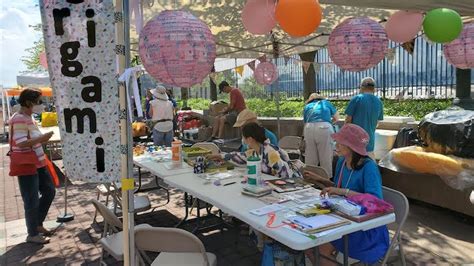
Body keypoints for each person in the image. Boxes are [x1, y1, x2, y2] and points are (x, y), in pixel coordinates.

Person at [304, 124, 389, 265]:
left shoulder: (369, 167)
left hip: (365, 227)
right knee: (308, 244)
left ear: (352, 147)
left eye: (340, 142)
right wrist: (319, 179)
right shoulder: (342, 162)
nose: (336, 145)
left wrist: (342, 192)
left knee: (319, 249)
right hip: (342, 219)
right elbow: (337, 189)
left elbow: (375, 201)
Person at [10, 88, 56, 244]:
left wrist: (42, 138)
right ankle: (32, 233)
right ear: (29, 102)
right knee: (31, 200)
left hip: (39, 163)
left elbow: (31, 139)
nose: (41, 104)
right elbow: (21, 142)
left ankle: (37, 224)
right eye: (39, 101)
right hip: (28, 164)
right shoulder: (19, 118)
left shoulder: (29, 117)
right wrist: (42, 138)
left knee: (49, 191)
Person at [210, 122, 301, 179]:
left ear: (250, 139)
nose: (243, 140)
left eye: (243, 137)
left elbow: (286, 175)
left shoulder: (270, 153)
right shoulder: (255, 152)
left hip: (291, 186)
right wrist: (219, 156)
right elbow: (239, 157)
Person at [344, 77, 383, 158]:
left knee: (354, 165)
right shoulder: (379, 102)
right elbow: (377, 123)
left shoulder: (356, 99)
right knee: (369, 164)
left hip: (355, 141)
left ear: (361, 87)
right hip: (369, 141)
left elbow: (348, 120)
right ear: (374, 89)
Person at [303, 93, 339, 177]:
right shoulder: (326, 103)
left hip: (308, 128)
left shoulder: (307, 106)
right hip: (324, 128)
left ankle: (309, 178)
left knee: (310, 157)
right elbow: (336, 118)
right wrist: (329, 123)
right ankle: (326, 179)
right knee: (326, 156)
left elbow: (305, 122)